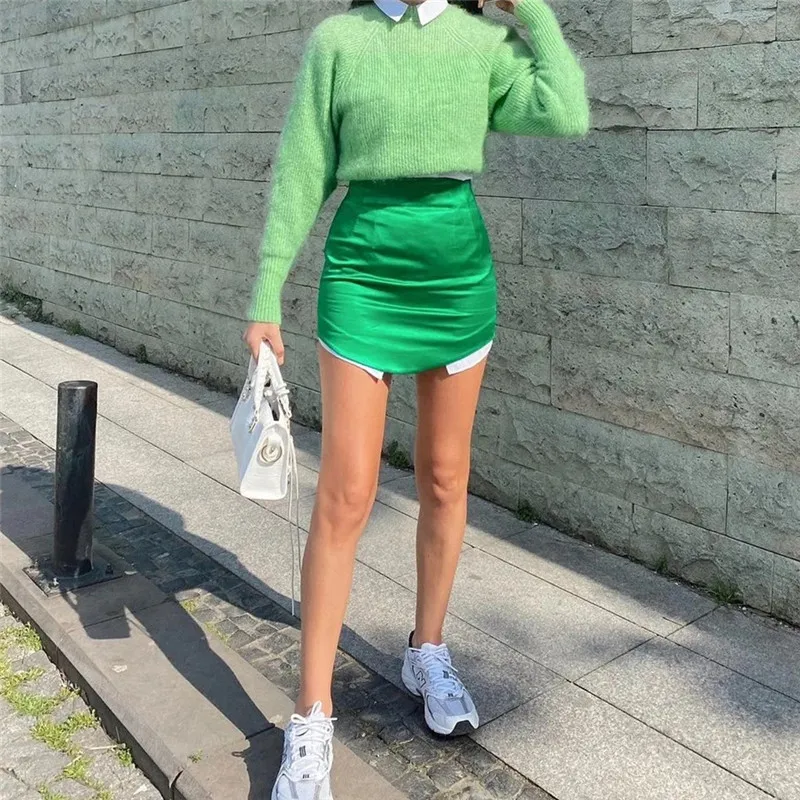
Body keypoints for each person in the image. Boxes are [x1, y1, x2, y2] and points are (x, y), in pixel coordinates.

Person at [244, 0, 589, 797]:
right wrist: (266, 291)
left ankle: (426, 650)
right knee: (345, 493)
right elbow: (301, 168)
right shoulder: (339, 41)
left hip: (457, 280)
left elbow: (565, 112)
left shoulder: (483, 40)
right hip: (362, 277)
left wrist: (532, 11)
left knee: (444, 477)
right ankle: (311, 714)